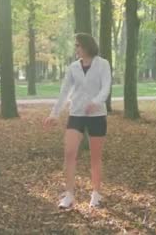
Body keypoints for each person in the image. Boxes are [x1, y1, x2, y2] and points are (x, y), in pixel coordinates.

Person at [43, 33, 112, 209]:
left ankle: (96, 194)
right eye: (75, 46)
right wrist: (54, 114)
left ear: (87, 46)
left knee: (95, 157)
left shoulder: (102, 64)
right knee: (69, 153)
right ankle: (69, 195)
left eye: (78, 45)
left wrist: (96, 103)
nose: (76, 49)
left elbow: (106, 87)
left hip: (97, 116)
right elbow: (64, 92)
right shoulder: (73, 67)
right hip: (76, 114)